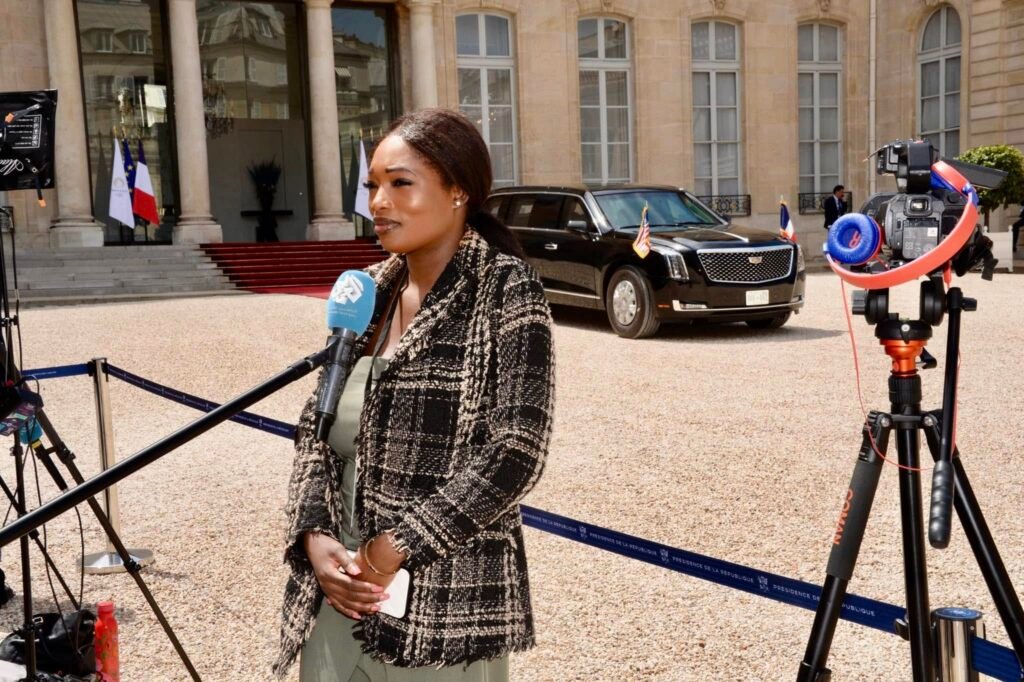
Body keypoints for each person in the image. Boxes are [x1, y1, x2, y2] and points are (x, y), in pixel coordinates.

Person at [274, 108, 556, 682]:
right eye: (373, 185)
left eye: (400, 183)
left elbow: (516, 452)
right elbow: (315, 428)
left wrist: (392, 549)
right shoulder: (367, 292)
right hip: (335, 588)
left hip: (440, 597)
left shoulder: (505, 290)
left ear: (457, 191)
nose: (378, 202)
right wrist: (314, 536)